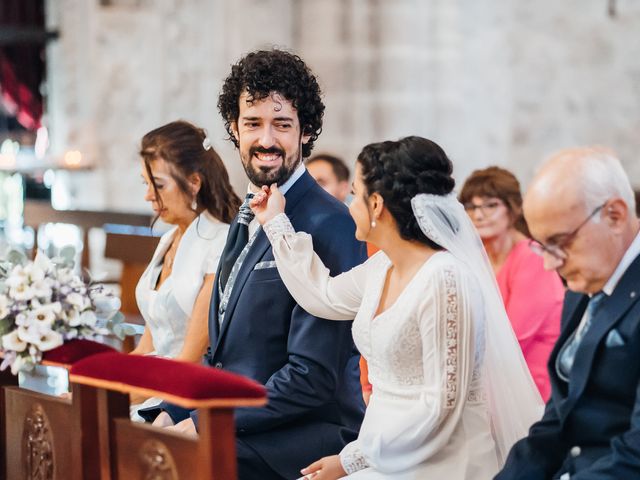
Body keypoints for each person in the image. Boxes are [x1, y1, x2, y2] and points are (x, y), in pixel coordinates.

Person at [251, 136, 542, 479]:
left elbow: (442, 408)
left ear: (376, 205)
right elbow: (324, 295)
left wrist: (353, 460)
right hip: (385, 451)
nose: (349, 203)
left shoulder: (446, 279)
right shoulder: (382, 267)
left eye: (355, 194)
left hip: (442, 460)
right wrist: (275, 222)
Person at [146, 49, 367, 480]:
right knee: (137, 440)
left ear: (305, 133)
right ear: (234, 128)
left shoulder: (330, 224)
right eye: (253, 123)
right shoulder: (244, 218)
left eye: (282, 124)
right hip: (243, 422)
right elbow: (219, 354)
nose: (266, 139)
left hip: (306, 434)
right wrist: (172, 411)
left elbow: (311, 377)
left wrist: (202, 423)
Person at [496, 147, 640, 479]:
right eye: (542, 247)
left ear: (614, 215)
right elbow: (557, 420)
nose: (549, 264)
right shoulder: (580, 289)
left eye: (560, 243)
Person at [131, 120, 240, 416]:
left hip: (180, 398)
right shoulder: (168, 239)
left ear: (194, 182)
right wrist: (97, 386)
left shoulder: (218, 244)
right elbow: (146, 348)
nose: (149, 196)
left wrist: (118, 397)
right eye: (146, 183)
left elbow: (190, 360)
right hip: (151, 384)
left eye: (159, 184)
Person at [459, 166, 564, 400]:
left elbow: (513, 337)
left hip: (531, 386)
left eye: (490, 205)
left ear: (513, 208)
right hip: (490, 378)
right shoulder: (476, 255)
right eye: (471, 206)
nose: (478, 215)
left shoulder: (533, 257)